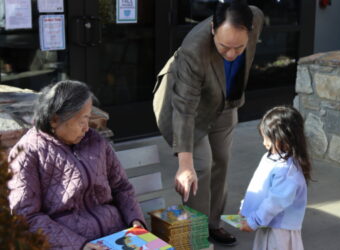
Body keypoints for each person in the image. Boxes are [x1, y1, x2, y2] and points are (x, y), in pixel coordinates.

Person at [152, 0, 264, 245]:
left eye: (240, 47)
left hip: (224, 98)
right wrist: (184, 164)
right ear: (213, 29)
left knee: (221, 160)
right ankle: (196, 236)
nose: (232, 54)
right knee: (200, 167)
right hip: (187, 103)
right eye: (225, 47)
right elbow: (184, 108)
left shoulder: (255, 17)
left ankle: (213, 223)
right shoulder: (194, 48)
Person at [8, 80, 146, 250]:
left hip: (116, 238)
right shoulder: (27, 153)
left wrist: (135, 220)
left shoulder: (95, 141)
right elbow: (26, 216)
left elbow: (121, 187)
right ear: (54, 120)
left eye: (88, 119)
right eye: (82, 120)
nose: (87, 128)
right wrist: (80, 245)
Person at [239, 106, 312, 250]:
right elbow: (259, 187)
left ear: (284, 138)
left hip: (280, 230)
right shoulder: (271, 157)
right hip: (267, 223)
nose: (264, 143)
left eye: (268, 138)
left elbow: (275, 201)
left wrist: (254, 220)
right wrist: (245, 208)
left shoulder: (287, 170)